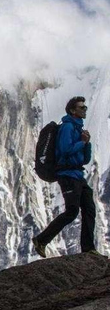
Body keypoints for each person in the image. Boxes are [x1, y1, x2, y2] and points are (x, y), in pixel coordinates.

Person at [33, 96, 100, 258]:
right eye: (81, 107)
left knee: (89, 209)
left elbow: (84, 159)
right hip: (67, 175)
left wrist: (87, 143)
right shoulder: (68, 127)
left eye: (85, 107)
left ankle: (88, 248)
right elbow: (65, 150)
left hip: (77, 174)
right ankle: (41, 240)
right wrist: (82, 143)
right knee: (72, 211)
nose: (85, 110)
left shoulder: (78, 129)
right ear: (72, 110)